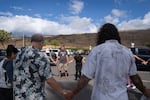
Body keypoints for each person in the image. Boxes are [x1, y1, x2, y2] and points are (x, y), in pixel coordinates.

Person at [66, 23, 150, 100]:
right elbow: (135, 77)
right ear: (116, 36)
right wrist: (144, 90)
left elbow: (85, 78)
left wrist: (73, 92)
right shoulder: (127, 52)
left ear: (102, 36)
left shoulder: (97, 51)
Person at [13, 34, 71, 100]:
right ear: (41, 42)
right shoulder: (40, 56)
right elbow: (49, 80)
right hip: (33, 96)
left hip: (18, 95)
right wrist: (62, 91)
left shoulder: (19, 54)